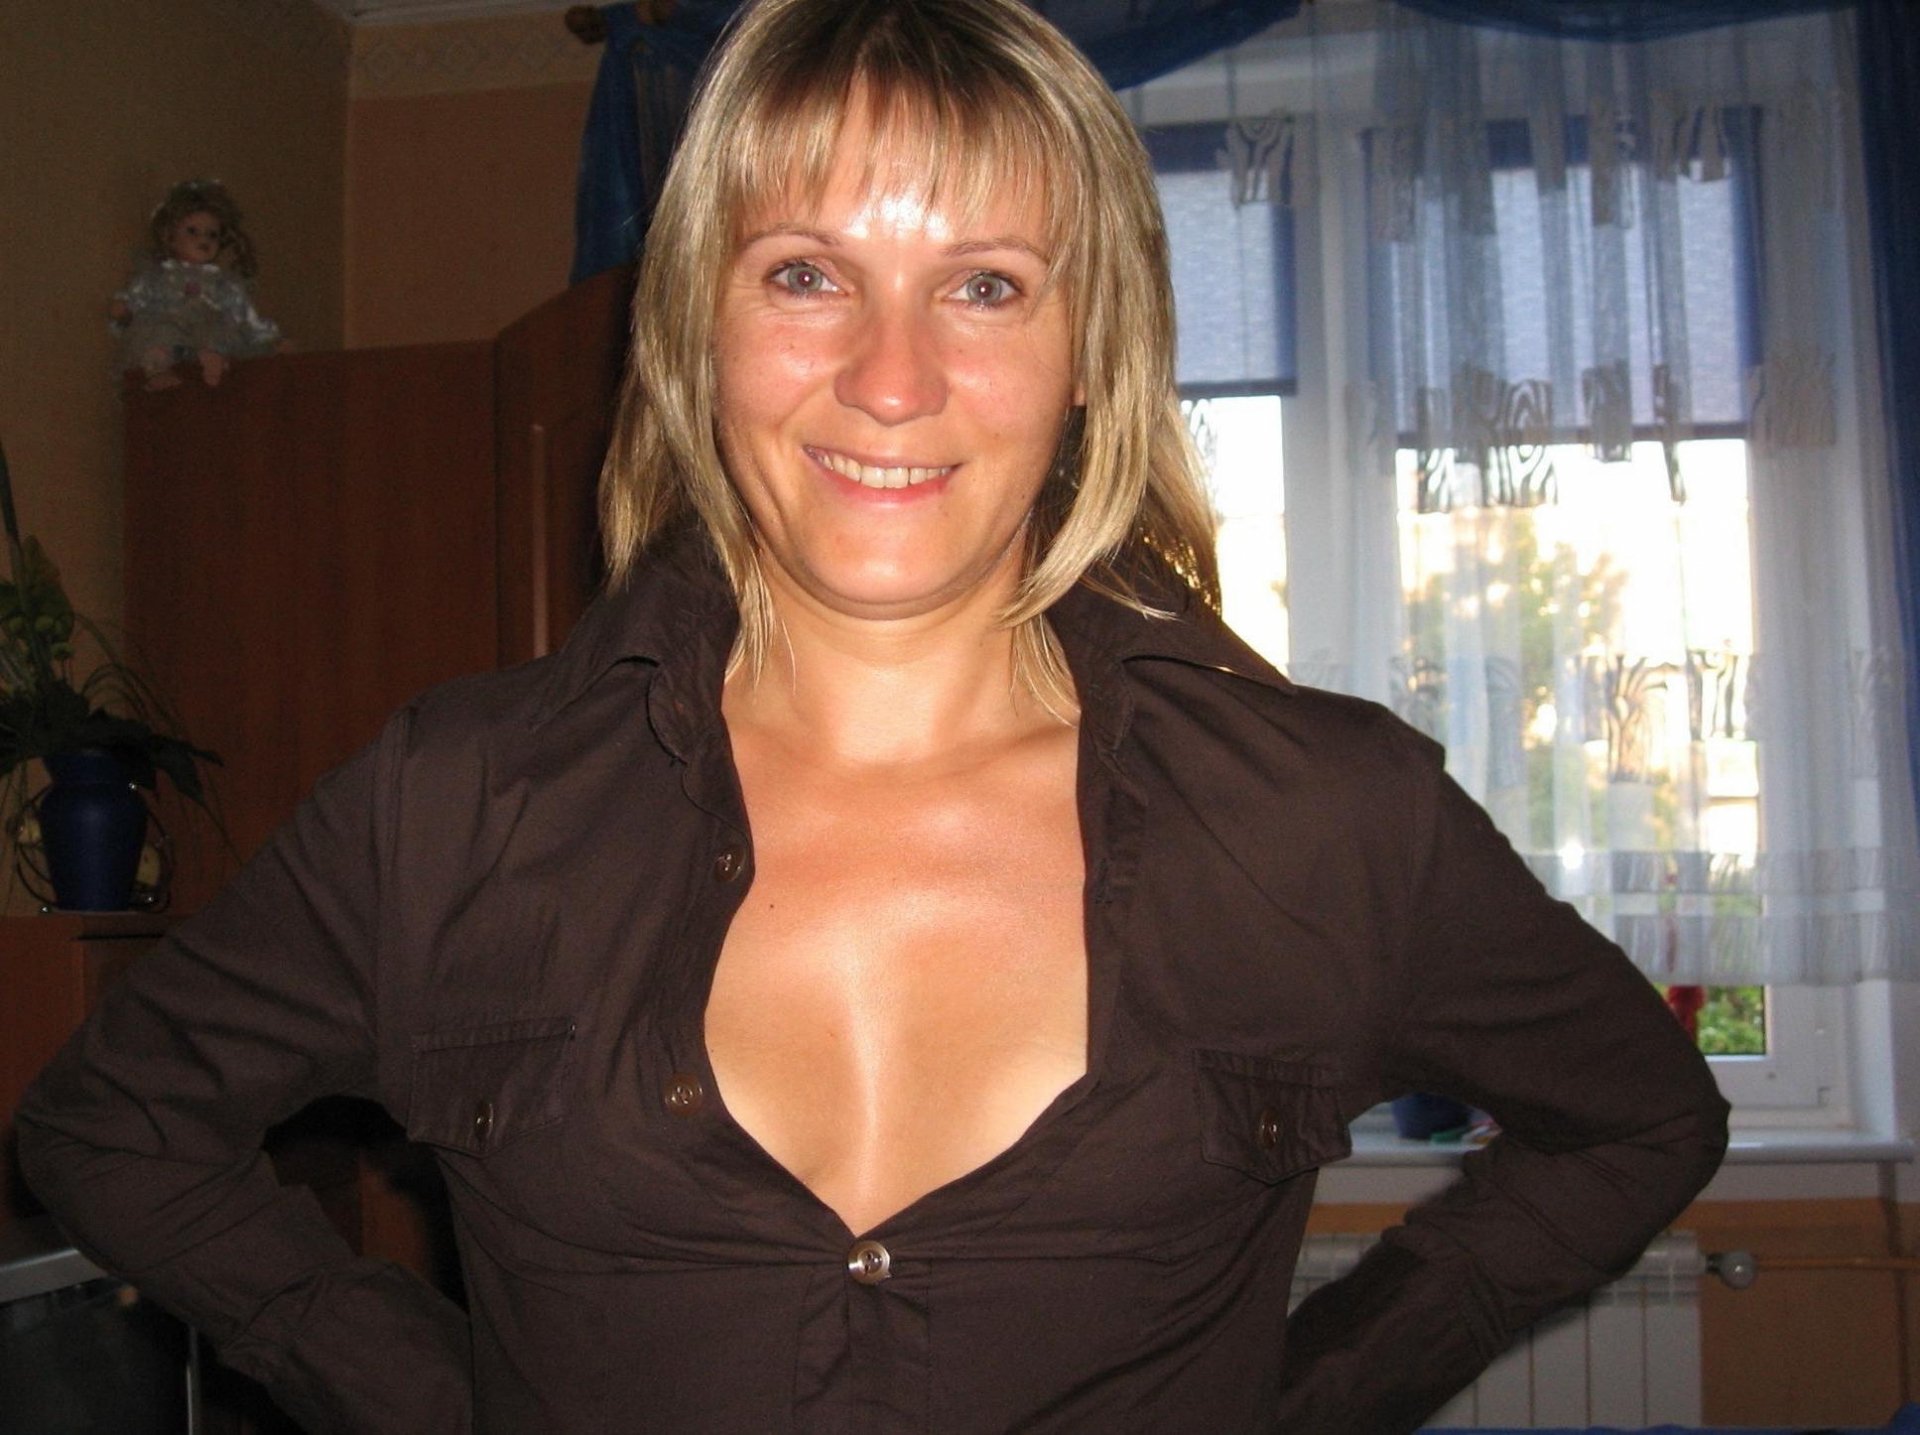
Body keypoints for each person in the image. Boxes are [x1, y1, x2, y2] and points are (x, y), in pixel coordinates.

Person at [20, 0, 1729, 1431]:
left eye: (985, 284)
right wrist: (435, 1396)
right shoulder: (456, 805)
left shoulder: (1327, 815)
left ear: (1092, 350)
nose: (892, 380)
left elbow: (1643, 1115)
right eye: (804, 275)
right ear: (695, 328)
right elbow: (111, 1127)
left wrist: (1320, 1393)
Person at [110, 178, 282, 391]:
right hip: (169, 332)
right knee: (159, 335)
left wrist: (271, 341)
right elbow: (141, 294)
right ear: (170, 236)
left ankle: (213, 365)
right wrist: (126, 307)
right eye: (192, 231)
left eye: (212, 235)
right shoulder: (161, 276)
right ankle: (158, 370)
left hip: (206, 337)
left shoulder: (223, 283)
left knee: (219, 332)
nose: (204, 239)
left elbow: (245, 315)